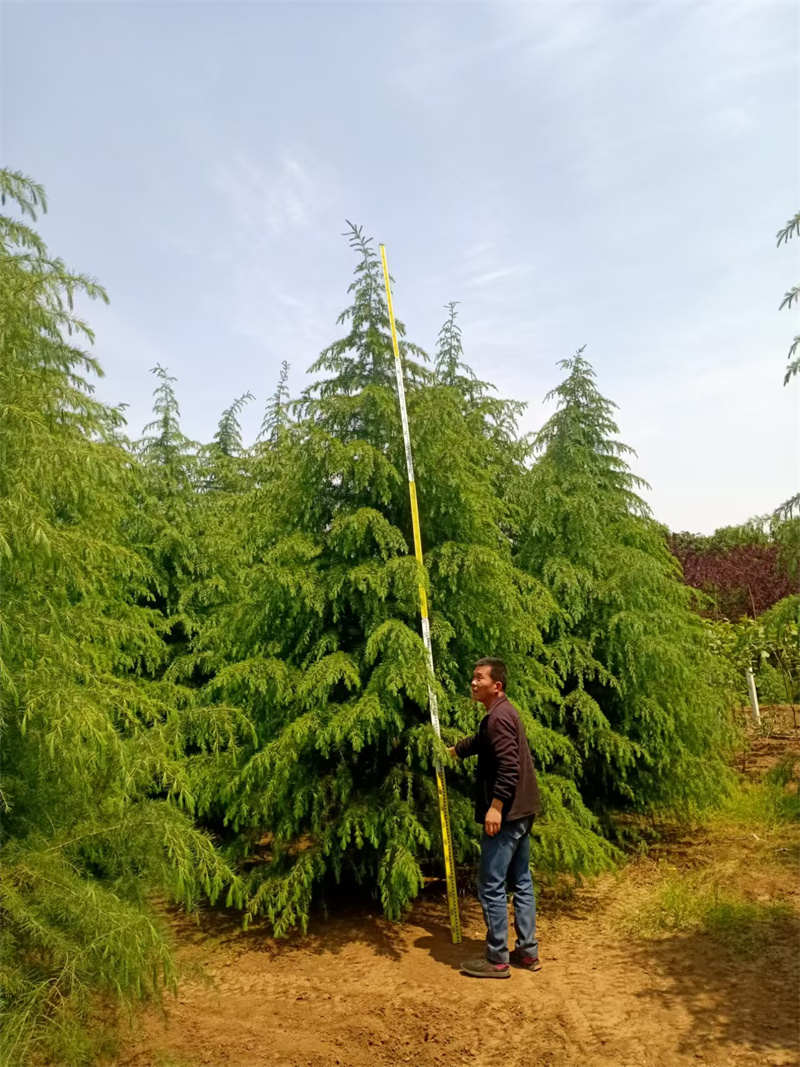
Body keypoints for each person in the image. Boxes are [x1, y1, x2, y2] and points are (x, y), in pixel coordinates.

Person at [447, 657, 542, 979]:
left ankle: (498, 959)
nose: (473, 683)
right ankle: (528, 953)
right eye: (472, 678)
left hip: (508, 814)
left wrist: (495, 807)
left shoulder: (498, 718)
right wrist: (456, 751)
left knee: (492, 885)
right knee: (523, 883)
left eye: (479, 678)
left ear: (496, 685)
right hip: (524, 809)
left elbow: (509, 767)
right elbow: (483, 742)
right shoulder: (500, 714)